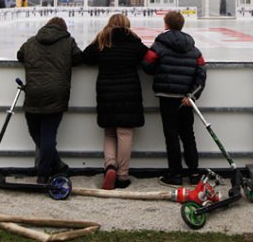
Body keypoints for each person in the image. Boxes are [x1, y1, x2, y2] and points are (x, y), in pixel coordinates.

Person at [82, 13, 149, 190]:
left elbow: (85, 57)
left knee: (110, 133)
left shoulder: (102, 40)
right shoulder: (134, 41)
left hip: (106, 92)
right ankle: (122, 175)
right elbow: (148, 60)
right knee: (125, 133)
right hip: (129, 91)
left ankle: (110, 166)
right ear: (127, 25)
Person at [141, 10, 207, 187]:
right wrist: (192, 95)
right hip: (186, 99)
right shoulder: (194, 49)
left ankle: (175, 174)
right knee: (188, 135)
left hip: (166, 96)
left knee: (171, 135)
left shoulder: (160, 44)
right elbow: (201, 73)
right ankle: (194, 173)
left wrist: (161, 72)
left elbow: (147, 64)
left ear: (166, 24)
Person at [16, 16, 82, 183]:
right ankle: (48, 170)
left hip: (33, 92)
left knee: (35, 132)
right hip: (56, 93)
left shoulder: (31, 42)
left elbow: (20, 55)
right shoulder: (68, 42)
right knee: (48, 134)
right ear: (64, 29)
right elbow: (79, 58)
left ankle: (50, 168)